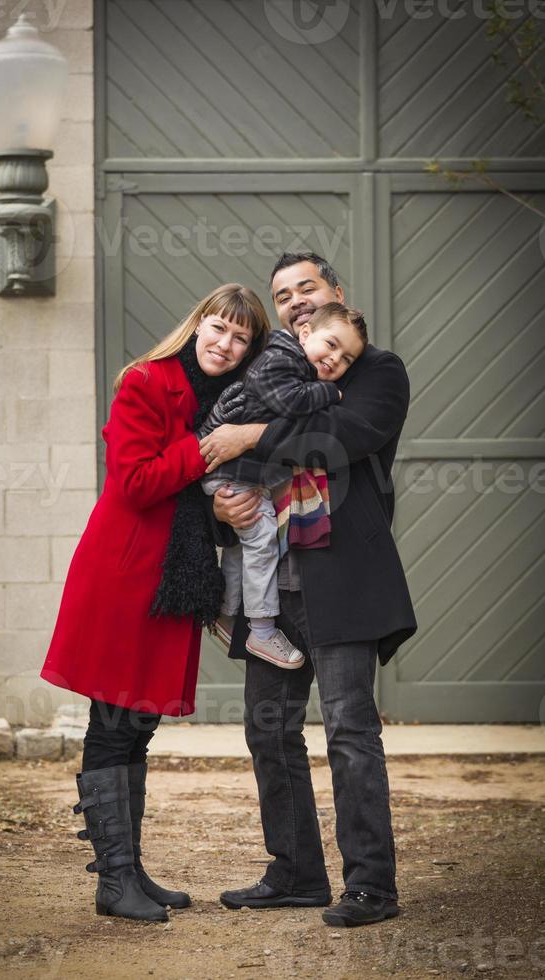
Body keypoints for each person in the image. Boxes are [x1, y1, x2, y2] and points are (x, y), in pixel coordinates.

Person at [199, 253, 417, 928]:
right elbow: (216, 457)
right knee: (268, 731)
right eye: (282, 294)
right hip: (272, 588)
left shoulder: (372, 368)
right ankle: (294, 873)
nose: (294, 301)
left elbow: (339, 436)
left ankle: (371, 887)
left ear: (333, 295)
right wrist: (218, 509)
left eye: (306, 288)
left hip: (341, 575)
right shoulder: (269, 367)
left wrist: (250, 433)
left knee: (350, 732)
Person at [40, 284, 270, 923]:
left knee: (136, 726)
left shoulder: (227, 401)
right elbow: (137, 482)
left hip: (168, 578)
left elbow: (200, 496)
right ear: (198, 324)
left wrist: (223, 502)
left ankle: (128, 867)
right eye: (218, 328)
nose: (226, 344)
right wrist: (208, 449)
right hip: (125, 576)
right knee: (113, 724)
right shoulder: (146, 382)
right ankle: (113, 881)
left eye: (241, 337)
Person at [199, 303, 368, 671]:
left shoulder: (292, 362)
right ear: (305, 334)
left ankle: (225, 613)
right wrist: (330, 394)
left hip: (239, 472)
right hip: (233, 470)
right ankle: (260, 629)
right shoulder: (280, 359)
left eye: (347, 359)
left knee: (243, 548)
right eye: (332, 344)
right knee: (261, 545)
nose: (336, 359)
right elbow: (288, 401)